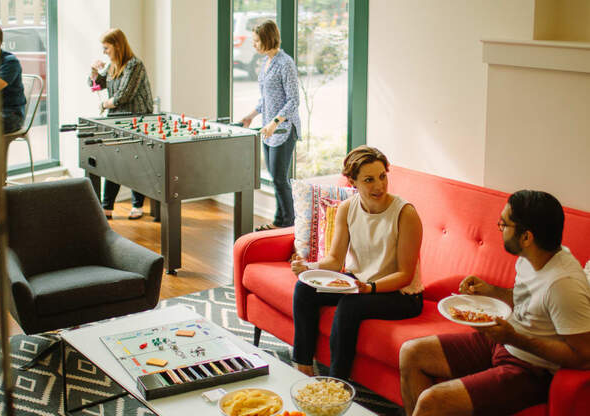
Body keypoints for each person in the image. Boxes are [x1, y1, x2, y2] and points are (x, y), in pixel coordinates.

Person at [399, 190, 590, 416]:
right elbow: (527, 298)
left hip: (531, 369)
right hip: (503, 343)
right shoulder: (532, 256)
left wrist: (514, 338)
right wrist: (490, 291)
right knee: (411, 353)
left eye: (504, 224)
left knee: (432, 401)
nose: (499, 229)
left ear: (527, 237)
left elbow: (583, 357)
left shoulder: (564, 285)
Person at [290, 146, 424, 379]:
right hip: (361, 283)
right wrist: (308, 268)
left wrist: (369, 288)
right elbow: (334, 260)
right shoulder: (347, 208)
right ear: (353, 182)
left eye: (382, 176)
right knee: (304, 288)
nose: (379, 186)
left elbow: (405, 274)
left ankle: (336, 383)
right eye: (369, 180)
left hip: (400, 294)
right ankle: (302, 367)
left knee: (350, 305)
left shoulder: (405, 214)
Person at [240, 20, 300, 231]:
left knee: (280, 179)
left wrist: (275, 122)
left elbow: (293, 100)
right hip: (268, 128)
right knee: (276, 178)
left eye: (256, 41)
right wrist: (250, 116)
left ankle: (289, 225)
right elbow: (266, 99)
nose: (254, 45)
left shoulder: (285, 63)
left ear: (267, 39)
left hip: (283, 129)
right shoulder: (266, 62)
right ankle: (280, 222)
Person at [89, 28, 153, 220]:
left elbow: (125, 95)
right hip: (116, 120)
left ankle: (137, 205)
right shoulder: (111, 66)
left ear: (117, 46)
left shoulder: (135, 65)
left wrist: (104, 104)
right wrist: (93, 71)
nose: (104, 52)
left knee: (135, 162)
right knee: (112, 162)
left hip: (137, 118)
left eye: (106, 48)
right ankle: (107, 207)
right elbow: (96, 85)